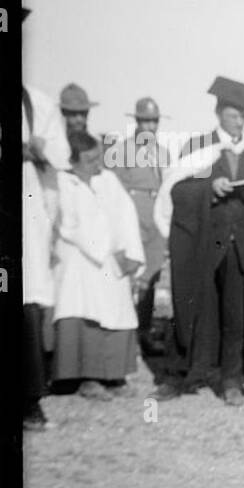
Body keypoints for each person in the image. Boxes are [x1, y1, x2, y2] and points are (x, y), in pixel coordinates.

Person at [156, 77, 244, 404]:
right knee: (194, 306)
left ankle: (230, 379)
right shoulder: (199, 148)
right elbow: (178, 189)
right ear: (218, 112)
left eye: (242, 114)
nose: (238, 119)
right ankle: (183, 374)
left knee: (236, 310)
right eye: (232, 113)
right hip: (204, 241)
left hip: (242, 244)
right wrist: (210, 188)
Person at [50, 131, 144, 399]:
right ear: (73, 160)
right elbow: (68, 224)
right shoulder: (63, 183)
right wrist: (105, 251)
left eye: (98, 158)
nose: (96, 164)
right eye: (89, 159)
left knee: (117, 312)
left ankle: (115, 376)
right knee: (87, 313)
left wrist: (132, 253)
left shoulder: (108, 180)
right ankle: (88, 379)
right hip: (82, 261)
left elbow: (127, 214)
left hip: (115, 259)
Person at [106, 96, 176, 356]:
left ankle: (143, 332)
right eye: (145, 120)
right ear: (136, 121)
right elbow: (112, 190)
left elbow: (168, 187)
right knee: (126, 274)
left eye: (154, 121)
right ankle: (121, 336)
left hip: (156, 217)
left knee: (152, 276)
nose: (149, 125)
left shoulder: (163, 152)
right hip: (131, 216)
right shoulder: (120, 151)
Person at [21, 78, 66, 429]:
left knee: (25, 299)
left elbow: (60, 153)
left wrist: (35, 148)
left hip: (24, 204)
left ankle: (28, 401)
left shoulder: (36, 103)